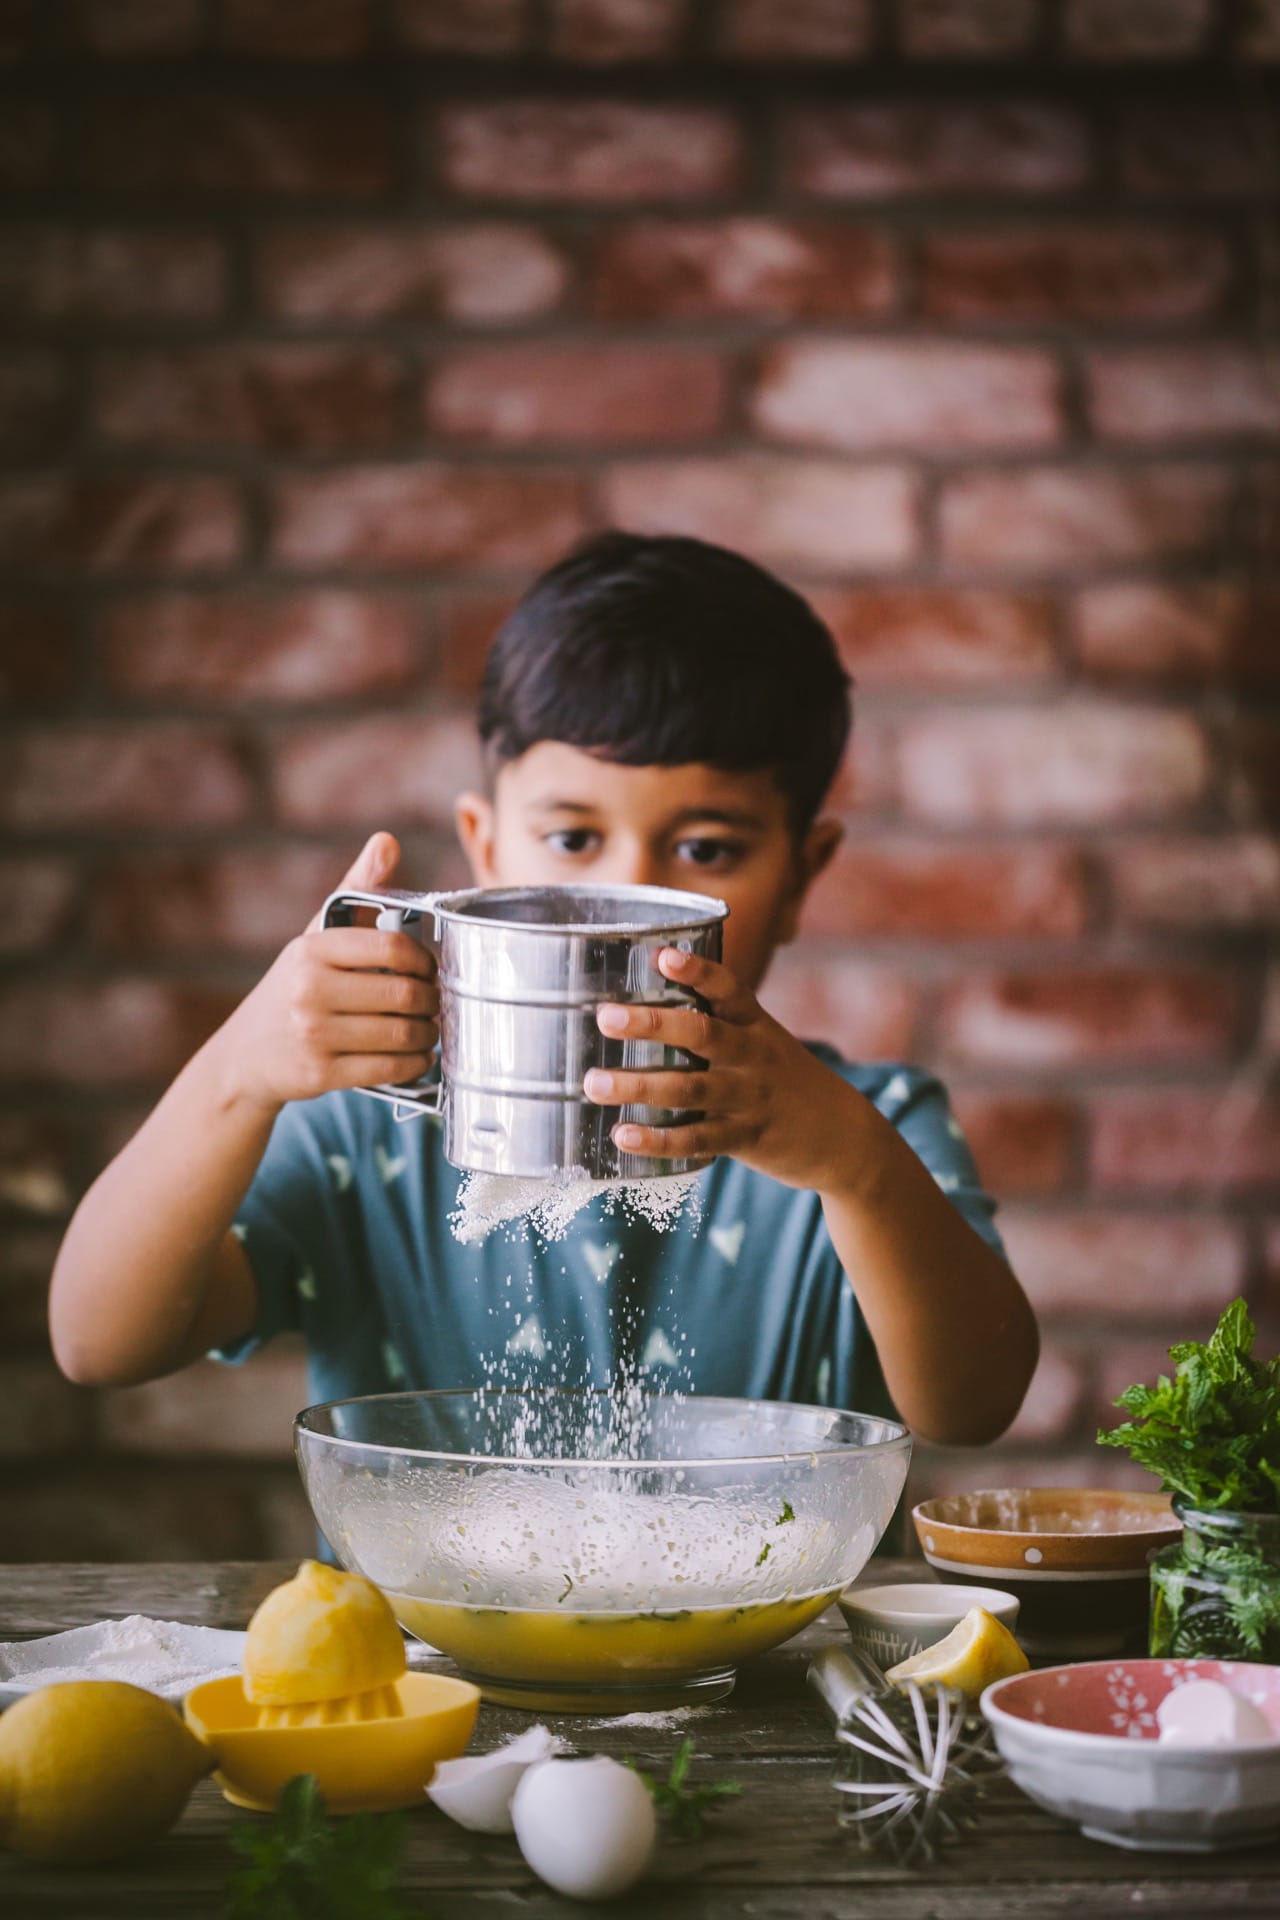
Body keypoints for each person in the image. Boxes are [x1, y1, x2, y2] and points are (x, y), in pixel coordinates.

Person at [50, 532, 1038, 1447]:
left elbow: (972, 1407)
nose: (621, 898)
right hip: (417, 1642)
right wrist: (236, 1074)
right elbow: (101, 1343)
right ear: (486, 855)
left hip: (763, 1640)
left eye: (704, 849)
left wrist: (854, 1166)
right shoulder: (367, 1135)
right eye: (571, 838)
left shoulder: (865, 1135)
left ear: (797, 880)